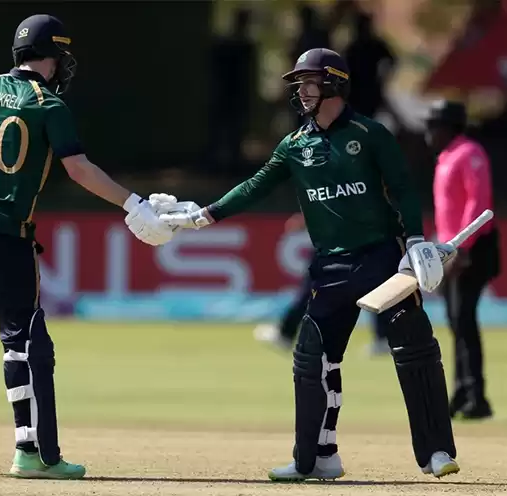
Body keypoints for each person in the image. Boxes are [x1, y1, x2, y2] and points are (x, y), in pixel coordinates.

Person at [0, 14, 174, 479]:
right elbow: (79, 170)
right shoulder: (49, 105)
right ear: (52, 57)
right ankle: (32, 453)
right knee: (23, 342)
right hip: (9, 233)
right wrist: (133, 203)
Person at [161, 48, 459, 481]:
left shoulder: (370, 134)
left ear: (333, 83)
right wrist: (204, 216)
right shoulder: (295, 145)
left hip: (383, 260)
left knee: (415, 351)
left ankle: (436, 452)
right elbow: (256, 185)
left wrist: (414, 240)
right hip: (330, 267)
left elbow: (403, 188)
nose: (301, 92)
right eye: (299, 84)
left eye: (309, 83)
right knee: (312, 360)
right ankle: (317, 458)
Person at [425, 100, 500, 420]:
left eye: (433, 126)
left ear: (449, 127)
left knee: (463, 319)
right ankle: (461, 393)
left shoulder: (469, 153)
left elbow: (477, 203)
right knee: (457, 320)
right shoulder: (447, 156)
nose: (429, 133)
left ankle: (475, 396)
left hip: (472, 249)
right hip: (452, 249)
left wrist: (463, 248)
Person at [253, 213, 390, 357]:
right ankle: (383, 337)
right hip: (364, 238)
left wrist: (306, 217)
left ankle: (286, 334)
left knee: (314, 288)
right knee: (373, 285)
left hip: (334, 241)